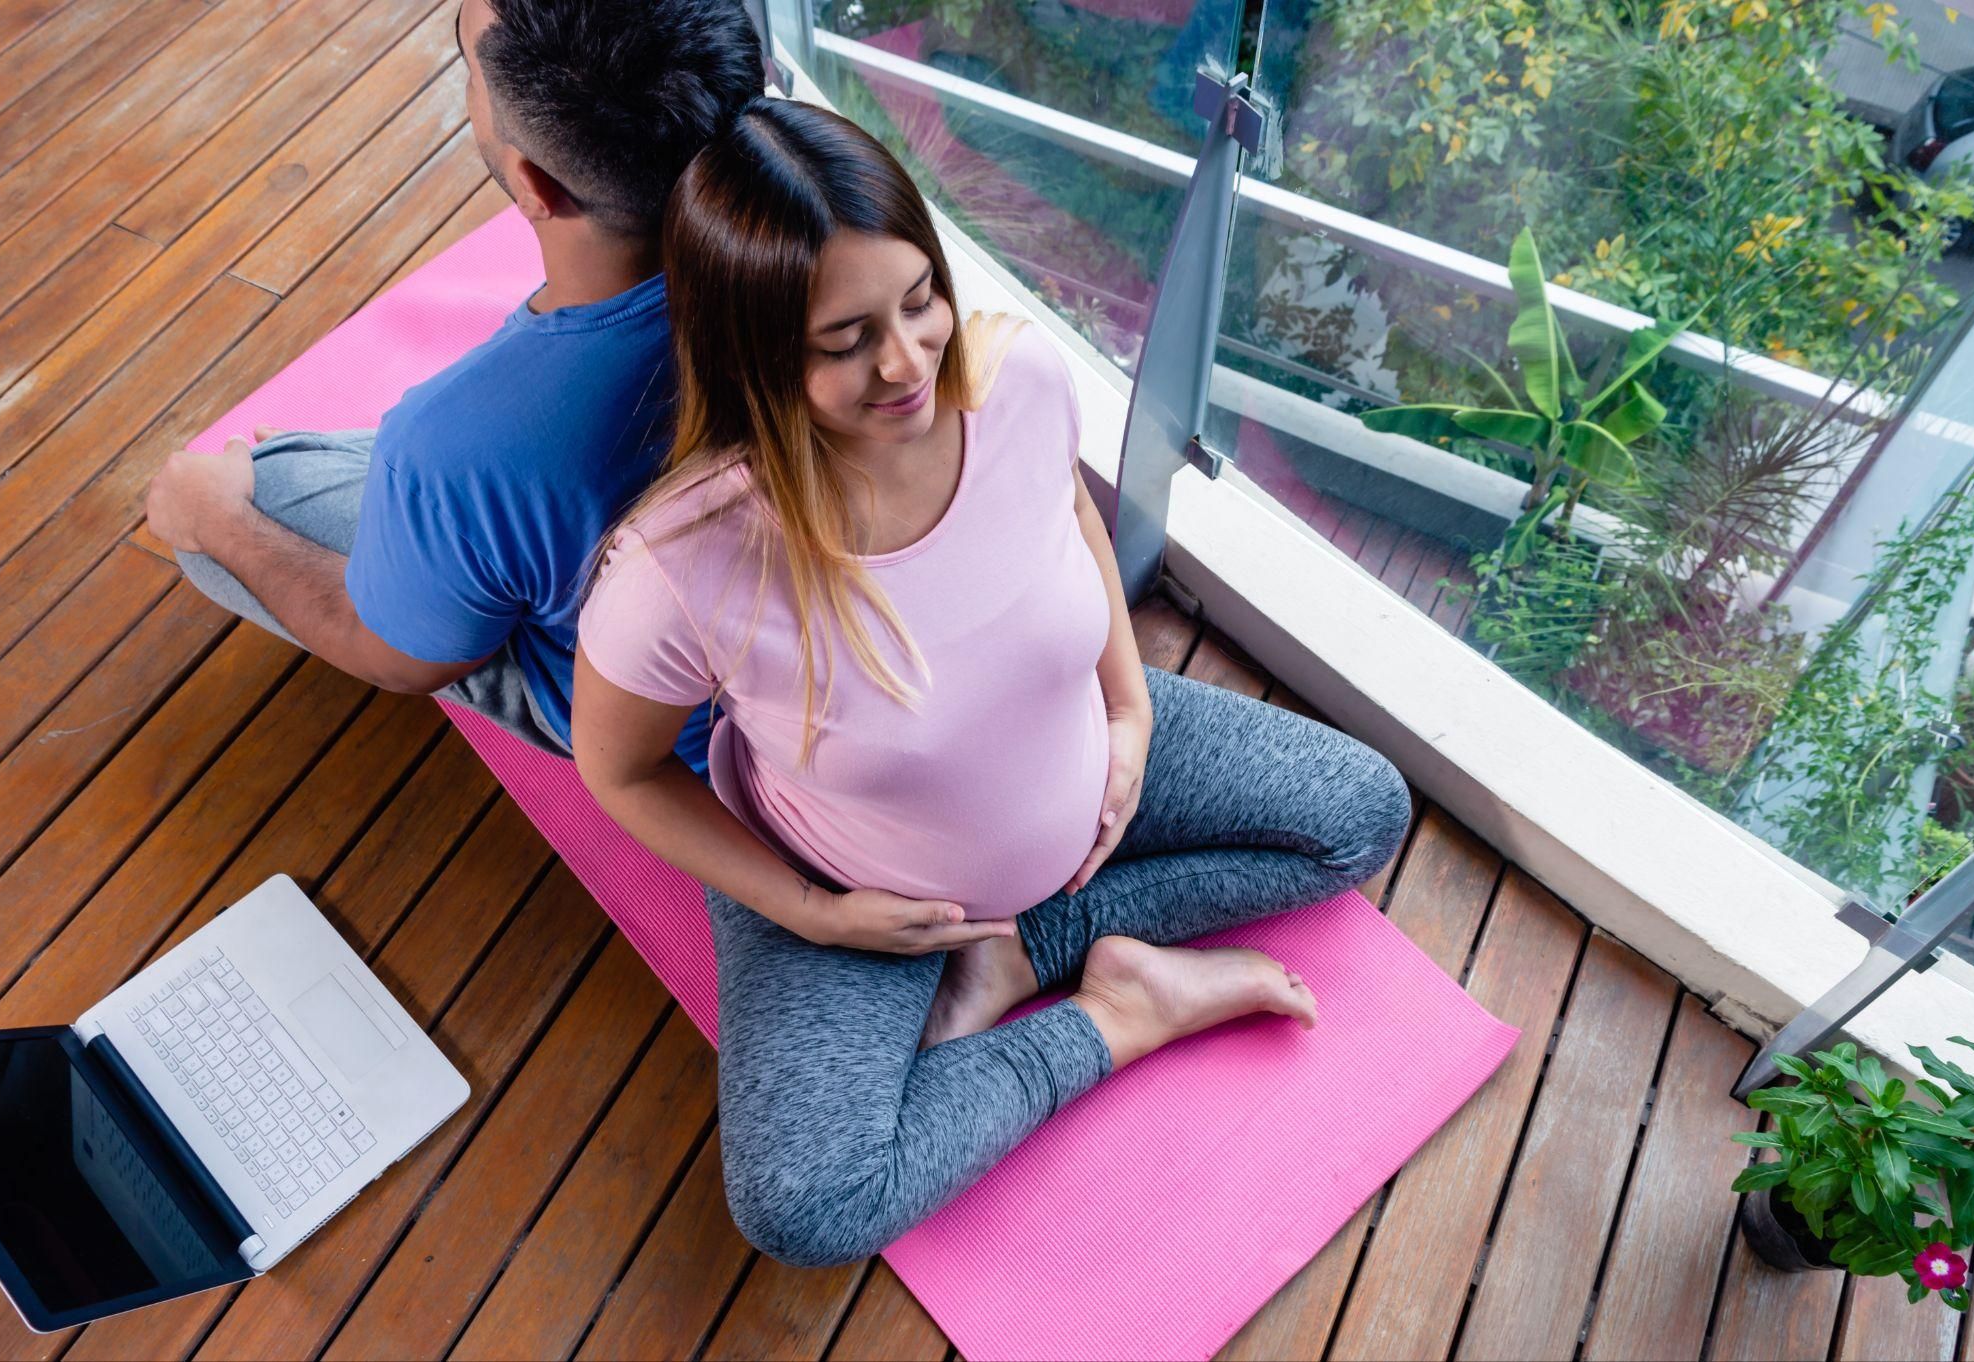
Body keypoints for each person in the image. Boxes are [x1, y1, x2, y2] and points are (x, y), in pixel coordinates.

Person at [572, 99, 1414, 1268]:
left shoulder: (1011, 379)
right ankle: (1114, 1014)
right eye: (843, 340)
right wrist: (813, 912)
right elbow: (612, 771)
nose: (909, 360)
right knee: (804, 1208)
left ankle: (1026, 949)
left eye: (918, 299)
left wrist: (1124, 708)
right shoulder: (678, 567)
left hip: (1082, 757)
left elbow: (1069, 512)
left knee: (1360, 814)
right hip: (861, 898)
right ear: (755, 352)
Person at [139, 0, 765, 773]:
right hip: (773, 647)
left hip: (687, 747)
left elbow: (400, 662)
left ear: (535, 184)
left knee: (265, 488)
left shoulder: (458, 439)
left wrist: (219, 522)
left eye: (468, 67)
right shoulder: (849, 243)